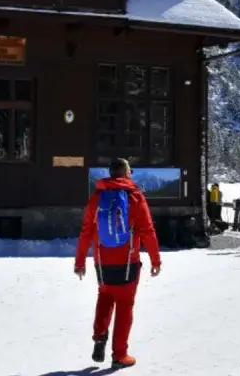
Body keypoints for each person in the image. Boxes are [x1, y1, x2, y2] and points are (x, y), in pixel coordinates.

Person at [74, 158, 162, 369]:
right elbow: (147, 231)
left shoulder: (96, 198)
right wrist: (155, 259)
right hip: (128, 263)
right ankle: (119, 355)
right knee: (125, 306)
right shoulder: (135, 197)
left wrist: (80, 262)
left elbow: (86, 231)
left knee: (104, 298)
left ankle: (99, 338)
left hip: (102, 263)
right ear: (126, 174)